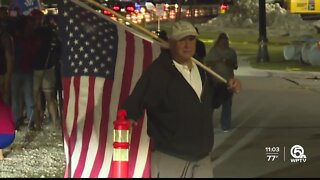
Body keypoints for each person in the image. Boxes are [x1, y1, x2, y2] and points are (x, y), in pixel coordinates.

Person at [121, 20, 241, 178]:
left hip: (202, 158)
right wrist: (129, 117)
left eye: (191, 39)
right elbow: (138, 98)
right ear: (171, 43)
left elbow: (213, 101)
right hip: (171, 158)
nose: (187, 45)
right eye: (182, 40)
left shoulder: (201, 69)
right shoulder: (160, 71)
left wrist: (228, 89)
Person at [204, 32, 238, 132]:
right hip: (215, 81)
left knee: (227, 104)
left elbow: (235, 66)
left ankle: (225, 125)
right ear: (218, 42)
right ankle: (207, 124)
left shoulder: (231, 52)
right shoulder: (213, 52)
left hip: (228, 81)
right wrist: (217, 61)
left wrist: (229, 62)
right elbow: (206, 63)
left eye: (225, 41)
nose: (224, 43)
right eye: (222, 41)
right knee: (212, 103)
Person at [0, 10, 14, 160]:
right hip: (4, 74)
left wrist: (8, 77)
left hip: (2, 75)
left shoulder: (4, 37)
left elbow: (9, 57)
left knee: (4, 103)